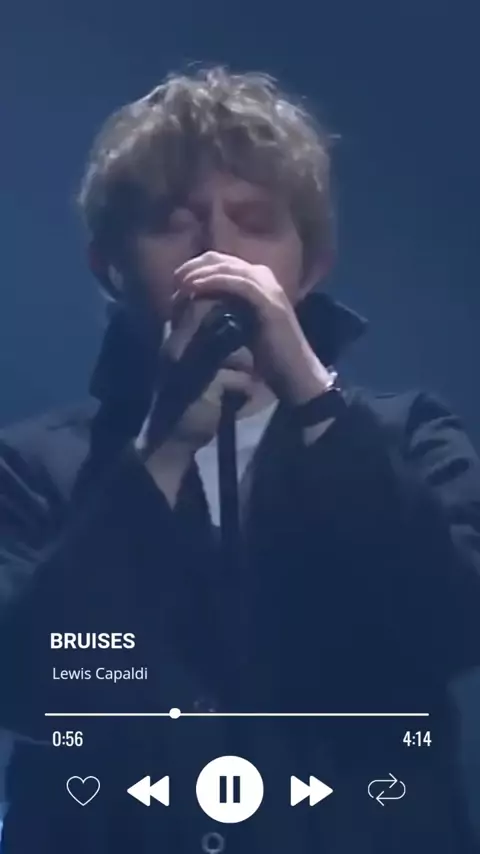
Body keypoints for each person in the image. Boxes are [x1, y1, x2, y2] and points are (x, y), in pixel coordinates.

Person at [0, 64, 480, 853]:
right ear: (109, 266)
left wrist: (318, 402)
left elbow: (452, 627)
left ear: (310, 267)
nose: (219, 248)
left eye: (255, 221)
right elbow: (30, 681)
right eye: (172, 222)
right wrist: (160, 454)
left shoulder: (407, 436)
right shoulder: (29, 464)